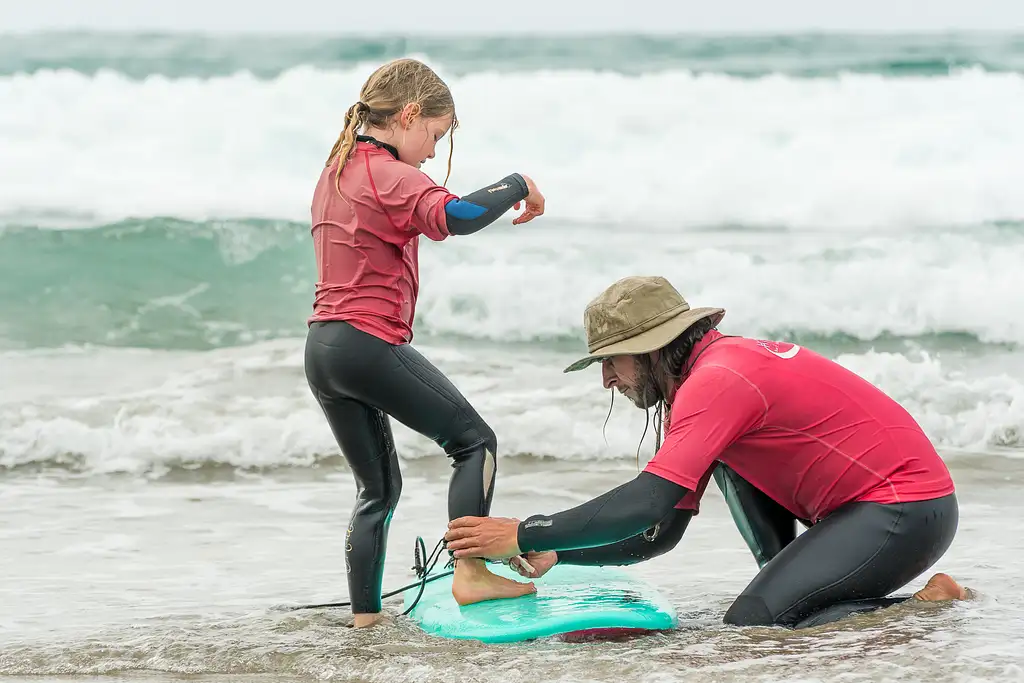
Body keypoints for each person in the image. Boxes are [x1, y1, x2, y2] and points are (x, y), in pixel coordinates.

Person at [444, 275, 971, 629]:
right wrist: (561, 552)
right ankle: (797, 589)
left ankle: (922, 610)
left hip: (904, 509)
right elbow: (660, 532)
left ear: (653, 348)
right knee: (768, 594)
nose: (606, 379)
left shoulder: (718, 380)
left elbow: (648, 502)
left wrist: (524, 531)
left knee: (751, 625)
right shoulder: (696, 383)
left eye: (612, 361)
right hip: (867, 511)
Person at [304, 57, 544, 628]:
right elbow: (456, 215)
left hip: (323, 350)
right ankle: (472, 574)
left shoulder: (337, 168)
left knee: (377, 491)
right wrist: (519, 184)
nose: (434, 152)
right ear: (409, 115)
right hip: (365, 342)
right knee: (474, 443)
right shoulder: (390, 173)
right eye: (434, 135)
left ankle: (365, 620)